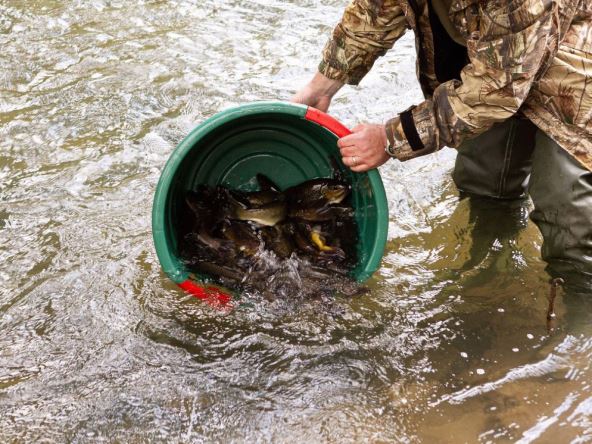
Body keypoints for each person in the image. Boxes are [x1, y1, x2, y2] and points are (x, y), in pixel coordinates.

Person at [292, 0, 592, 288]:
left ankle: (578, 309)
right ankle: (490, 278)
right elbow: (376, 11)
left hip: (571, 67)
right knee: (483, 182)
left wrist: (389, 138)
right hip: (489, 56)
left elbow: (496, 91)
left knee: (569, 214)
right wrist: (322, 85)